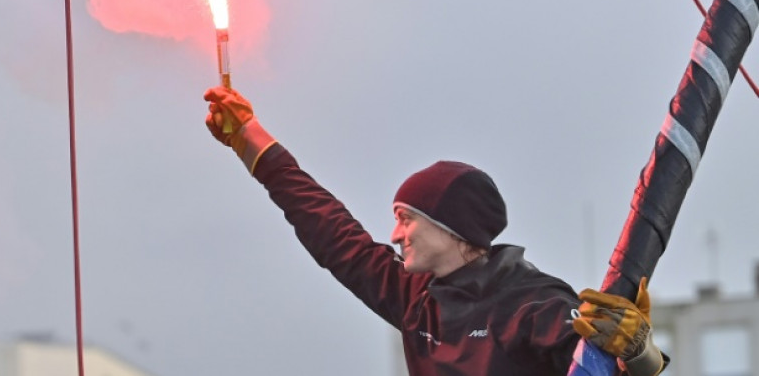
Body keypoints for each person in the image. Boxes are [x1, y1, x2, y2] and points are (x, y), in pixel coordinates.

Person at [204, 85, 666, 376]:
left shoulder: (534, 305)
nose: (394, 234)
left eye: (406, 218)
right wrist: (248, 138)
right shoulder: (416, 299)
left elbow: (601, 367)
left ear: (453, 230)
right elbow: (328, 227)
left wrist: (640, 354)